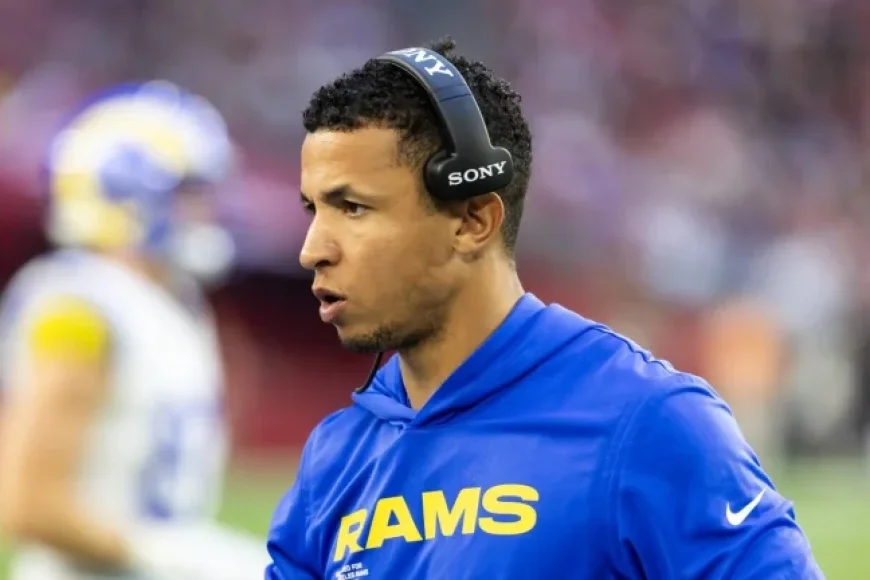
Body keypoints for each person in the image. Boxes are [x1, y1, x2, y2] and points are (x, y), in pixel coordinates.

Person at [266, 39, 822, 579]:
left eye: (353, 208)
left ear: (473, 220)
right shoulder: (335, 458)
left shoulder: (648, 421)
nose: (312, 249)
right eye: (314, 209)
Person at [0, 81, 268, 579]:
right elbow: (29, 505)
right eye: (188, 193)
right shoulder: (80, 305)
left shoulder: (171, 301)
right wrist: (172, 554)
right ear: (125, 195)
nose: (206, 211)